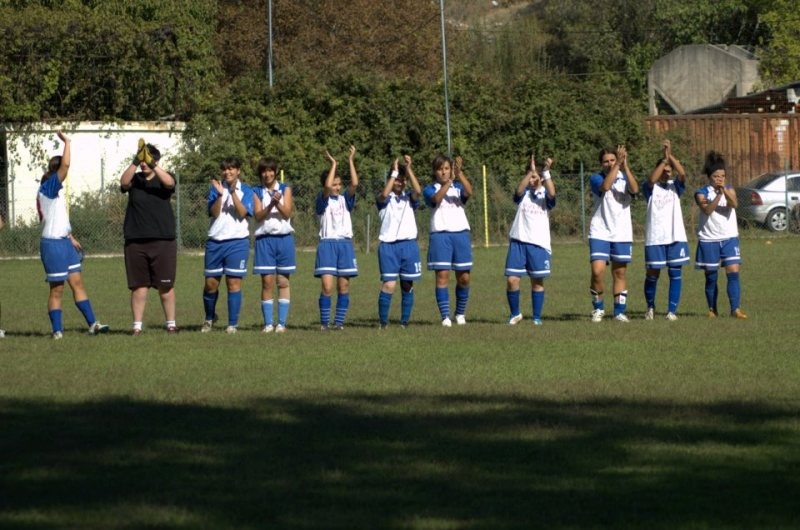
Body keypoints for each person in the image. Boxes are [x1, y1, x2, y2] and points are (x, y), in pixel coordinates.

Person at [37, 130, 109, 339]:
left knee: (77, 283)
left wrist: (70, 236)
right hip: (52, 245)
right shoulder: (47, 188)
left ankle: (93, 324)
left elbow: (58, 219)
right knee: (57, 289)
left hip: (64, 243)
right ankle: (57, 331)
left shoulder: (54, 192)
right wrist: (67, 142)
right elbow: (66, 165)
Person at [119, 139, 178, 335]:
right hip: (136, 241)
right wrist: (136, 161)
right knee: (138, 286)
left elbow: (170, 183)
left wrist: (153, 164)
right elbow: (123, 182)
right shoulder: (135, 180)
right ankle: (137, 326)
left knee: (166, 286)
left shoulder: (164, 178)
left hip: (163, 240)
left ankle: (171, 324)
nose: (144, 164)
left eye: (147, 160)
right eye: (142, 160)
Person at [201, 157, 254, 333]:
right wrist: (221, 194)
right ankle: (209, 318)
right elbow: (214, 213)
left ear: (238, 170)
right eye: (224, 169)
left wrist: (232, 192)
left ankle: (232, 324)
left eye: (231, 169)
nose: (228, 172)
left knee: (233, 284)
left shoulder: (246, 190)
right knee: (210, 284)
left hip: (237, 242)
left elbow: (242, 213)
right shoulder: (215, 188)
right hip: (215, 241)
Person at [588, 144, 639, 322]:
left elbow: (635, 190)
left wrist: (625, 167)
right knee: (597, 271)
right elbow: (605, 187)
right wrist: (617, 164)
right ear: (601, 164)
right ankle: (598, 308)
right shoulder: (596, 178)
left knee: (620, 273)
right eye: (606, 161)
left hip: (621, 232)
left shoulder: (625, 177)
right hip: (600, 230)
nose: (609, 163)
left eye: (612, 159)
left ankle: (619, 312)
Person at [504, 153, 556, 326]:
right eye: (530, 177)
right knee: (512, 279)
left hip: (538, 244)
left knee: (537, 282)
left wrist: (545, 173)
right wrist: (530, 172)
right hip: (518, 241)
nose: (532, 180)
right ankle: (515, 314)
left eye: (534, 177)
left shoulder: (544, 195)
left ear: (540, 178)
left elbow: (552, 193)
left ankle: (536, 317)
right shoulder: (524, 194)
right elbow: (518, 191)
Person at [694, 151, 747, 319]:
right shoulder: (701, 193)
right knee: (711, 276)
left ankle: (735, 309)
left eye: (723, 176)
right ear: (710, 177)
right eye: (717, 176)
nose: (720, 179)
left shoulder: (729, 189)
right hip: (709, 239)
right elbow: (707, 210)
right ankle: (712, 309)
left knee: (733, 271)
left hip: (730, 237)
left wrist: (724, 191)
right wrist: (717, 195)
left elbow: (734, 204)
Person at [423, 154, 473, 326]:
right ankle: (445, 316)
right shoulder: (430, 188)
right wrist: (449, 181)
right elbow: (436, 199)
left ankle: (460, 313)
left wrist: (459, 174)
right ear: (435, 172)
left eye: (446, 168)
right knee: (442, 276)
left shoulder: (457, 187)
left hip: (460, 234)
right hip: (440, 235)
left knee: (464, 277)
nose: (443, 172)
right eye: (440, 169)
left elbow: (469, 192)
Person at [642, 139, 689, 321]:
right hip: (655, 238)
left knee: (675, 273)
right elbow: (651, 179)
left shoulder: (675, 187)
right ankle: (650, 308)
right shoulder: (651, 188)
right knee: (653, 274)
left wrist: (670, 156)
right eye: (664, 170)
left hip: (675, 236)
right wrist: (663, 160)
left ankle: (671, 311)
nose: (666, 173)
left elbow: (683, 174)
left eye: (669, 171)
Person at [314, 146, 359, 330]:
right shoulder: (321, 200)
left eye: (339, 184)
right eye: (334, 183)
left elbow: (355, 184)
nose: (337, 187)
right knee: (327, 287)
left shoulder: (345, 200)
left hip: (345, 245)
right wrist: (333, 163)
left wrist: (350, 160)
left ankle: (339, 323)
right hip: (327, 245)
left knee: (344, 287)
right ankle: (324, 323)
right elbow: (326, 186)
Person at [376, 155, 423, 328]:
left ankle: (404, 322)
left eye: (402, 181)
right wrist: (394, 172)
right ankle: (383, 322)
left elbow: (418, 191)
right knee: (389, 285)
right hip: (388, 247)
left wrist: (408, 169)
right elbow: (383, 194)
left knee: (407, 284)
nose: (400, 183)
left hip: (409, 245)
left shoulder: (409, 198)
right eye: (397, 180)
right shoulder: (384, 199)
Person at [252, 157, 295, 333]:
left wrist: (278, 201)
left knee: (283, 281)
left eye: (270, 170)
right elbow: (258, 216)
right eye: (264, 171)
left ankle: (282, 324)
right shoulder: (256, 191)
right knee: (267, 282)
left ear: (275, 172)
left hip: (284, 239)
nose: (267, 174)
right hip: (264, 240)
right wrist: (270, 205)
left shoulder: (285, 189)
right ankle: (268, 323)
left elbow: (287, 214)